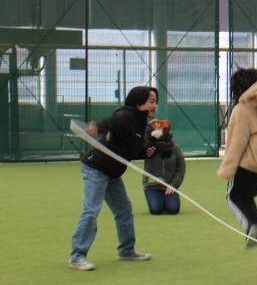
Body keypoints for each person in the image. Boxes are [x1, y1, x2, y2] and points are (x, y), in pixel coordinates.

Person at [68, 86, 158, 270]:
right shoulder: (126, 116)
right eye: (151, 101)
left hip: (112, 172)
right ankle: (77, 257)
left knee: (124, 209)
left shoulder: (141, 124)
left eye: (155, 102)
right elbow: (114, 121)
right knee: (91, 210)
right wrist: (99, 126)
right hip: (96, 168)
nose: (154, 105)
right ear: (138, 102)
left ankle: (126, 250)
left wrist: (144, 152)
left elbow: (127, 149)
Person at [217, 68, 257, 248]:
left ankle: (252, 225)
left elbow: (236, 142)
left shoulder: (241, 109)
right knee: (247, 197)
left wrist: (228, 168)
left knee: (233, 197)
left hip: (246, 165)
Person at [143, 118, 186, 215]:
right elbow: (143, 139)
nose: (157, 130)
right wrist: (150, 128)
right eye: (155, 128)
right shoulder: (147, 147)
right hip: (152, 186)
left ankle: (167, 199)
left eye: (160, 128)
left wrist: (173, 185)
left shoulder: (175, 148)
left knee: (173, 209)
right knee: (156, 209)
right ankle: (156, 199)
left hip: (170, 185)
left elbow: (181, 169)